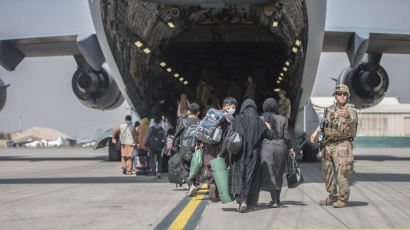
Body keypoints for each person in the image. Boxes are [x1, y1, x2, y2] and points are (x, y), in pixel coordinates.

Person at [219, 99, 277, 213]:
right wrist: (268, 127)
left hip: (239, 153)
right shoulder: (259, 122)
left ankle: (241, 200)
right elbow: (271, 136)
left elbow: (228, 138)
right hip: (254, 155)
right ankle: (249, 202)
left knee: (239, 175)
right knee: (251, 177)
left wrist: (222, 154)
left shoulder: (237, 120)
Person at [310, 84, 358, 208]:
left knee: (343, 172)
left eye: (344, 94)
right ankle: (332, 196)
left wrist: (347, 115)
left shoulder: (350, 109)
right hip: (328, 144)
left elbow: (352, 119)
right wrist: (316, 133)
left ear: (348, 96)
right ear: (335, 95)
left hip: (342, 144)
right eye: (339, 94)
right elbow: (324, 123)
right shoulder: (330, 109)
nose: (342, 96)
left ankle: (342, 199)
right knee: (328, 172)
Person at [259, 98, 295, 208]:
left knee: (270, 173)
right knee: (279, 173)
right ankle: (277, 200)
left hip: (266, 148)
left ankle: (274, 200)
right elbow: (286, 136)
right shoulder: (282, 119)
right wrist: (290, 148)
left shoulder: (261, 119)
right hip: (281, 147)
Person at [203, 97, 237, 202]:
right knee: (220, 169)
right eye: (233, 107)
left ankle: (211, 184)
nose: (233, 109)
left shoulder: (212, 115)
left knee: (209, 166)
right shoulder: (230, 118)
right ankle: (217, 193)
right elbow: (230, 135)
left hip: (209, 146)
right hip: (221, 147)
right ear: (227, 106)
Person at [172, 103, 201, 196]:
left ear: (189, 112)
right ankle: (191, 187)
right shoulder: (201, 123)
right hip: (196, 149)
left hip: (184, 148)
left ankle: (191, 185)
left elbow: (177, 135)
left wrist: (175, 147)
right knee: (193, 168)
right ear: (198, 113)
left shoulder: (183, 122)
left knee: (183, 168)